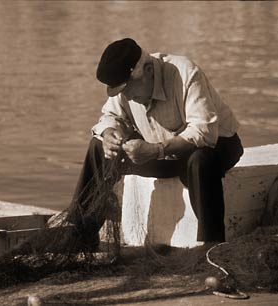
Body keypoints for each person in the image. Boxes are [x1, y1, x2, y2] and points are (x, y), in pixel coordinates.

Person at [65, 38, 244, 245]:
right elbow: (110, 115)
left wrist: (156, 150)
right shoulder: (126, 89)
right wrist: (108, 134)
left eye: (129, 88)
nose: (128, 97)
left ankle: (212, 244)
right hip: (165, 154)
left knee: (200, 159)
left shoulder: (185, 73)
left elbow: (204, 132)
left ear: (148, 70)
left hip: (217, 147)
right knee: (98, 147)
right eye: (122, 92)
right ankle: (81, 236)